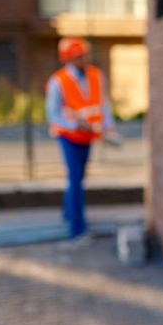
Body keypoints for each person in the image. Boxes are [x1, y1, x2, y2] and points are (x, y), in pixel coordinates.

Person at [46, 37, 117, 239]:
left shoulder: (96, 75)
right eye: (80, 56)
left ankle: (68, 214)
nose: (85, 59)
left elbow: (103, 104)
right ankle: (77, 228)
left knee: (77, 178)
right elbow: (53, 114)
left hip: (88, 136)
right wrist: (74, 124)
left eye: (86, 55)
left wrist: (109, 126)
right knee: (75, 179)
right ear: (69, 59)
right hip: (68, 136)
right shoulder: (58, 81)